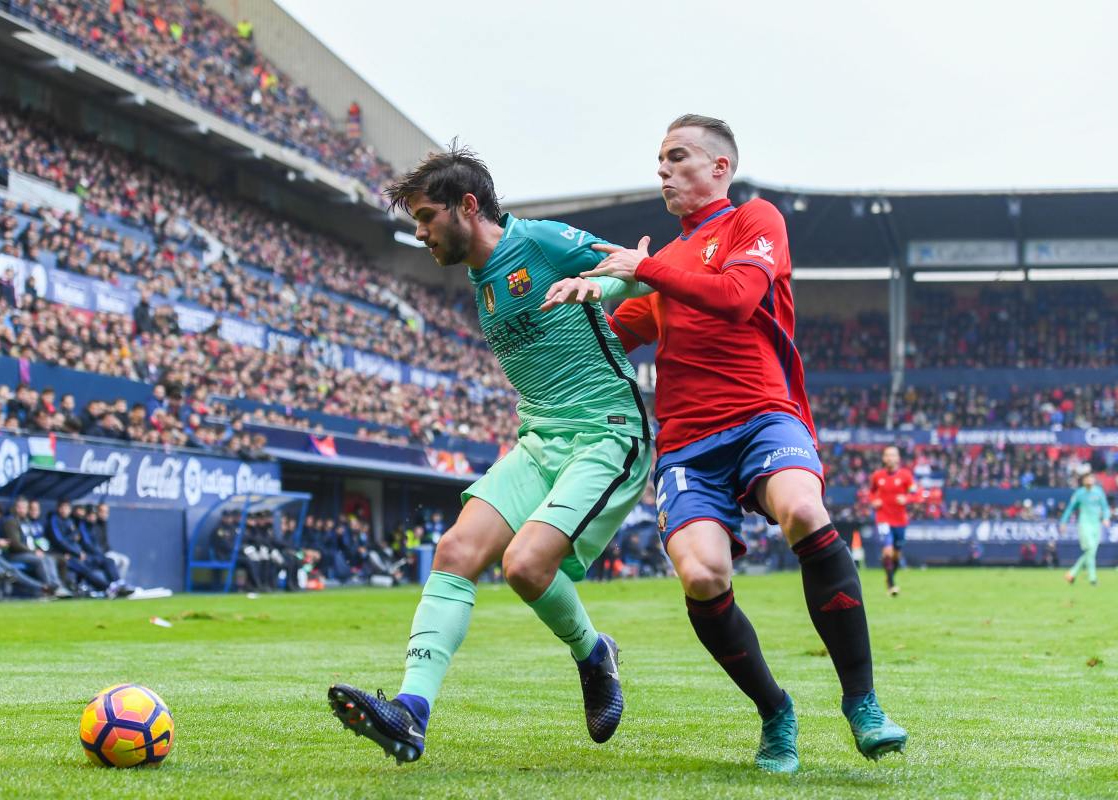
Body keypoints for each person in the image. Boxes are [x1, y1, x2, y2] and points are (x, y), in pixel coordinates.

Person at [542, 115, 906, 771]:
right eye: (659, 159)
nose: (663, 169)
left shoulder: (753, 220)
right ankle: (775, 711)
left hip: (765, 415)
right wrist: (569, 304)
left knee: (803, 509)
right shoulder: (661, 268)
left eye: (676, 156)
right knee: (703, 574)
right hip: (688, 444)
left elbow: (739, 298)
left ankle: (862, 702)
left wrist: (645, 268)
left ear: (719, 168)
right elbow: (609, 345)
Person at [329, 144, 652, 764]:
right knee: (455, 552)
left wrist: (597, 284)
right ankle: (411, 713)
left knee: (526, 567)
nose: (420, 232)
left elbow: (634, 267)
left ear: (468, 205)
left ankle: (593, 655)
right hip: (539, 440)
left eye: (427, 217)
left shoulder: (538, 240)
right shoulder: (480, 277)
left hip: (606, 433)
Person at [868, 447, 919, 596]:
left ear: (898, 458)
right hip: (883, 518)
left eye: (893, 455)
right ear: (884, 458)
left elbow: (916, 494)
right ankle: (891, 585)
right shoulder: (877, 476)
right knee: (887, 550)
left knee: (896, 554)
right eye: (887, 455)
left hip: (900, 521)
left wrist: (907, 498)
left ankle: (889, 576)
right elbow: (871, 492)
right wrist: (874, 501)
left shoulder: (906, 475)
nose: (890, 458)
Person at [1061, 471, 1110, 586]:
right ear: (1083, 481)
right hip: (1084, 525)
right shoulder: (1079, 494)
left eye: (1091, 478)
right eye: (1087, 478)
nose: (1089, 480)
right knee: (1091, 550)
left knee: (1090, 552)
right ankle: (1093, 579)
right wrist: (1063, 522)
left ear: (1094, 480)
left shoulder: (1099, 492)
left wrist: (1106, 518)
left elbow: (1105, 507)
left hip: (1096, 525)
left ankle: (1072, 573)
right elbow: (1070, 508)